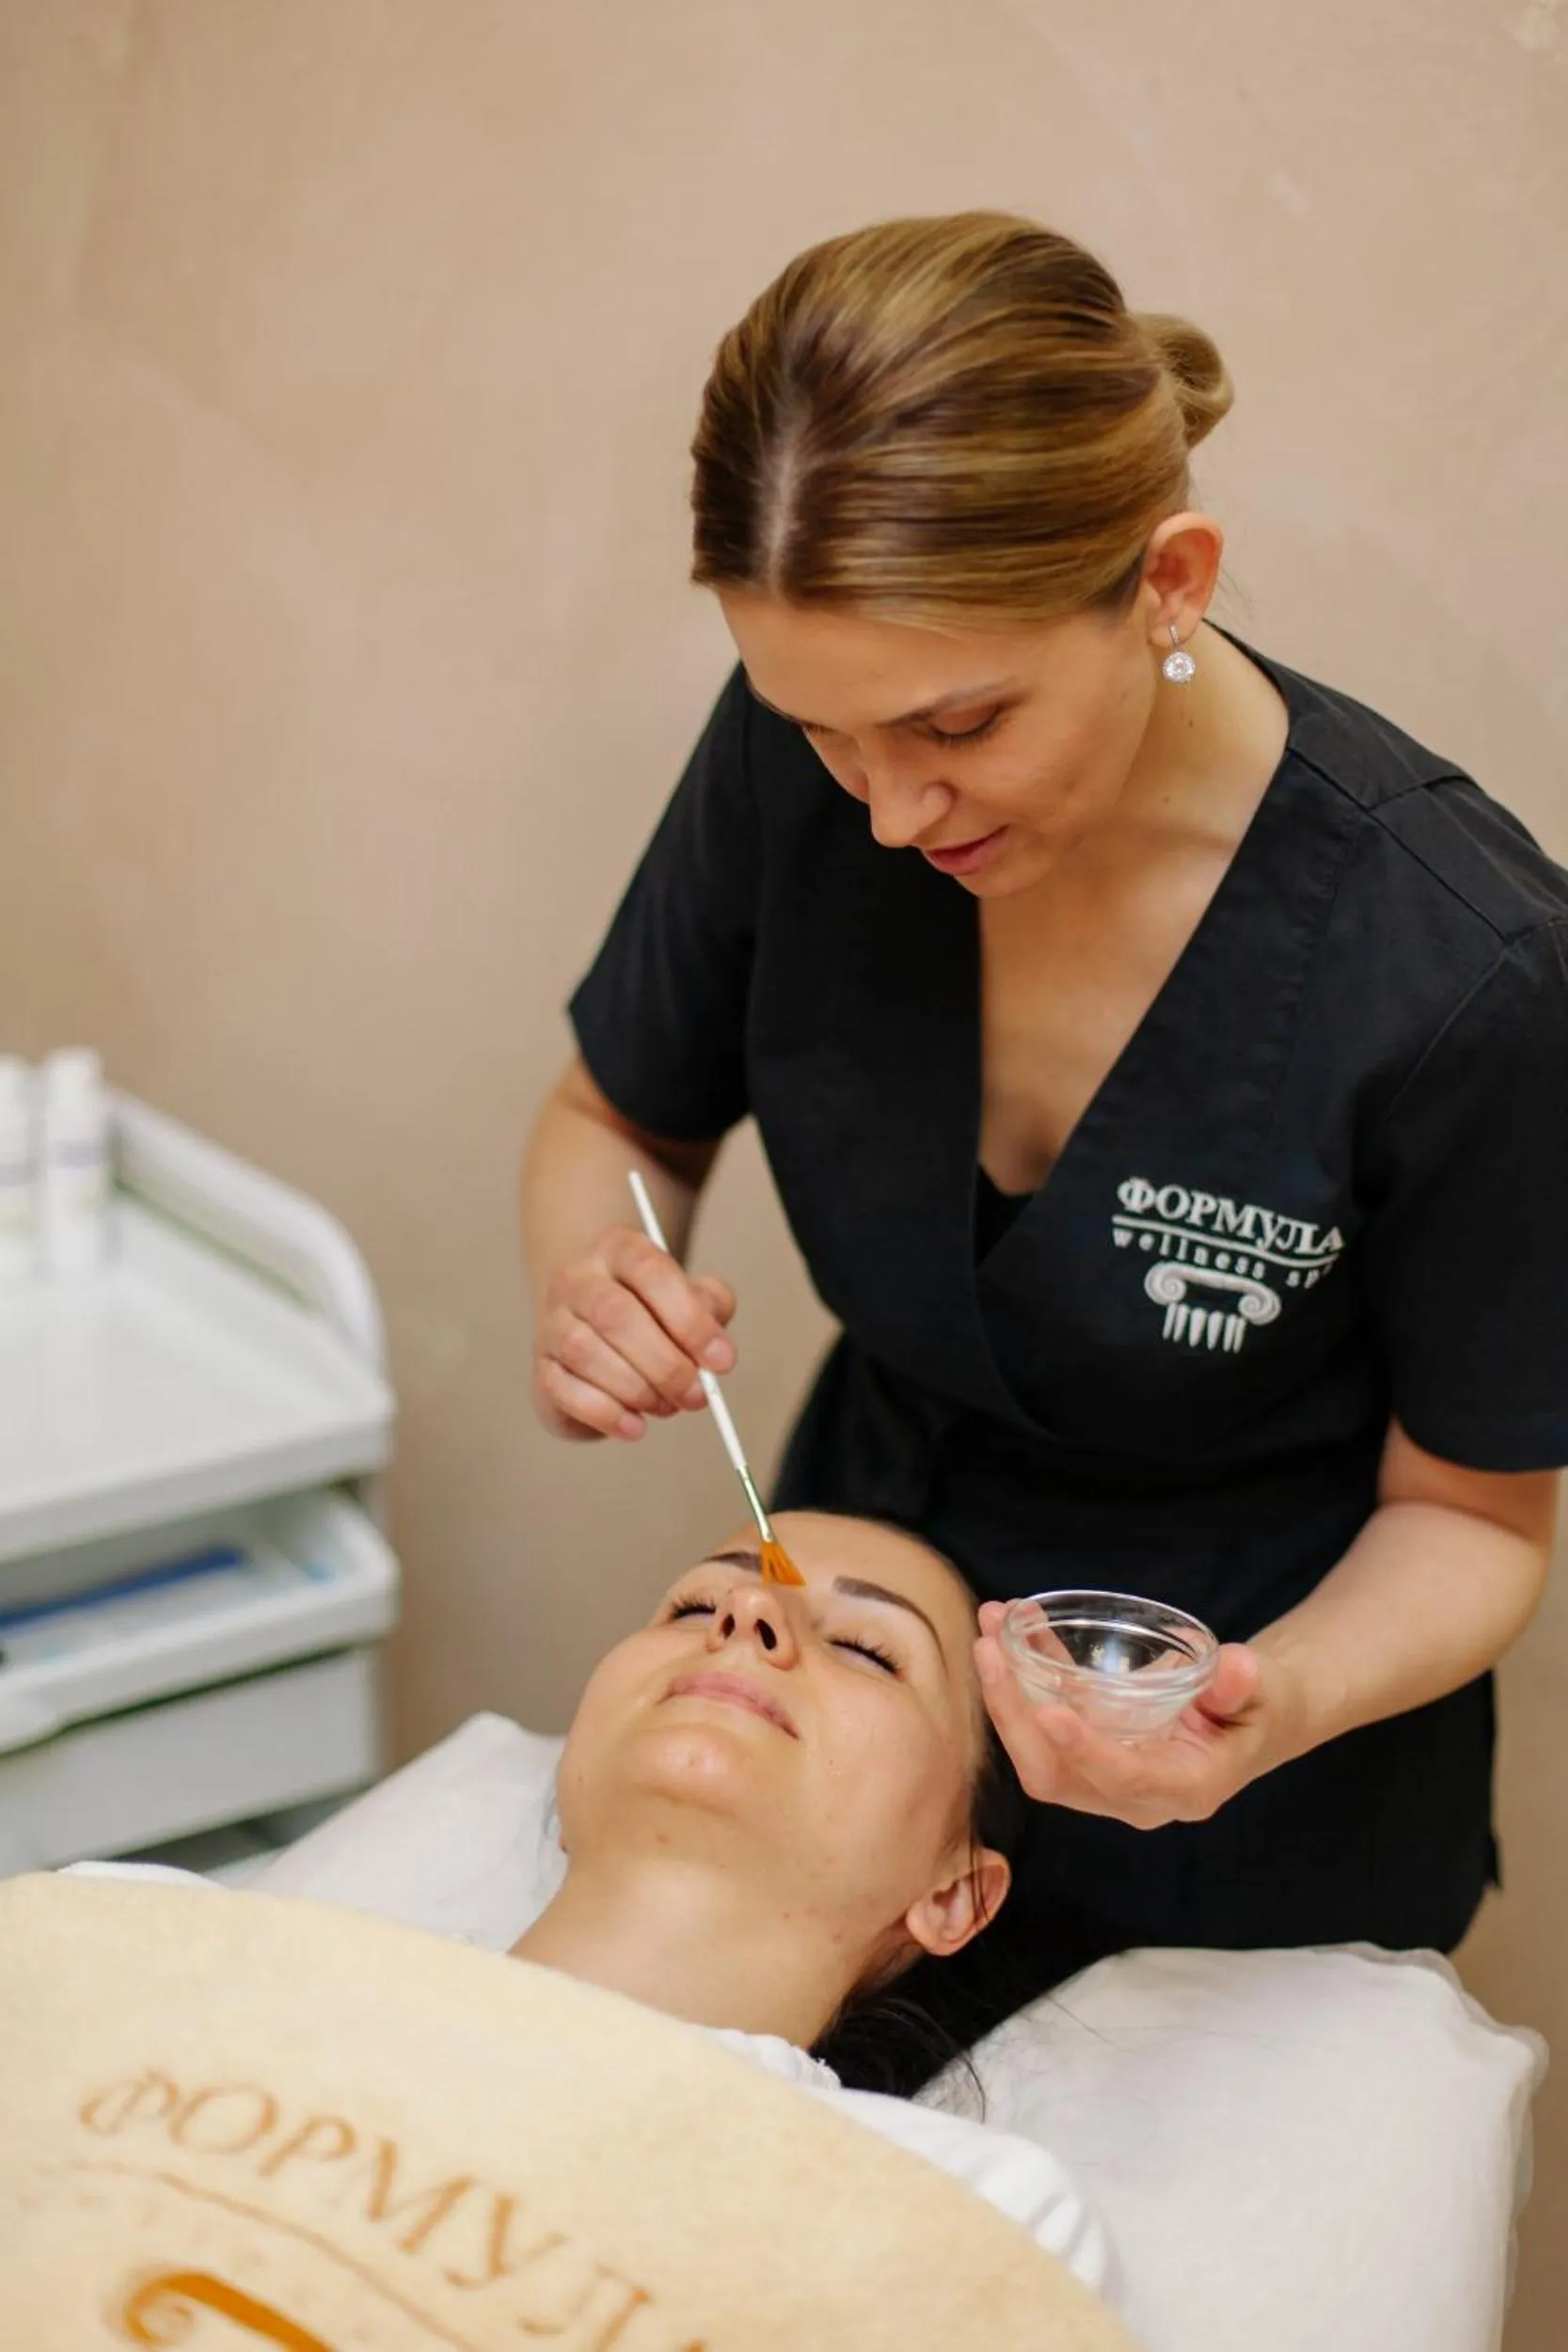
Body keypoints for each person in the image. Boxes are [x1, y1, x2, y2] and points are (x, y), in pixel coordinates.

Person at [524, 210, 1568, 2018]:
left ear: (1168, 582)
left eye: (960, 726)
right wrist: (595, 1277)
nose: (884, 813)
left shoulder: (1466, 974)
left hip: (1246, 1791)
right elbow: (616, 1121)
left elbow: (1477, 1521)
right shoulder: (811, 747)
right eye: (825, 734)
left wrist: (1268, 1705)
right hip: (846, 1748)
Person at [65, 1513, 1114, 2302]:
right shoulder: (141, 1947)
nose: (746, 1616)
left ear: (953, 1893)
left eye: (867, 1649)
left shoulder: (963, 2215)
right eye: (695, 1607)